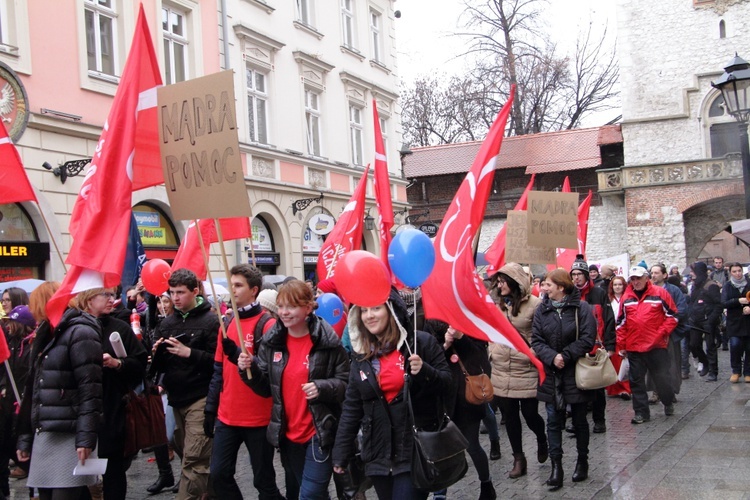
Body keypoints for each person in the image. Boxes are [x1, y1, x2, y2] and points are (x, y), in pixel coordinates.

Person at [332, 292, 452, 500]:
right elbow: (352, 407)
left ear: (392, 311)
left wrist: (425, 371)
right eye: (364, 310)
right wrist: (340, 454)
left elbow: (447, 385)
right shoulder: (361, 354)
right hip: (377, 453)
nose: (369, 315)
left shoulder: (420, 343)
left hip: (413, 450)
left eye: (376, 308)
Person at [238, 280, 349, 500]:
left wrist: (322, 387)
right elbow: (265, 389)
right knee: (311, 493)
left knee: (309, 495)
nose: (284, 312)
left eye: (291, 306)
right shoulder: (272, 342)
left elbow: (346, 384)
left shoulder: (327, 341)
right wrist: (247, 370)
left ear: (308, 308)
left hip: (320, 431)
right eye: (280, 307)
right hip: (288, 435)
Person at [204, 264, 284, 499]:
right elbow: (218, 370)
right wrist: (211, 408)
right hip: (227, 416)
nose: (233, 290)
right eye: (231, 285)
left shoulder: (267, 324)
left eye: (238, 285)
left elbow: (271, 370)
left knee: (263, 481)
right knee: (218, 475)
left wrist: (238, 352)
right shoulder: (226, 323)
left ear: (254, 290)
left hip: (258, 418)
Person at [16, 293, 103, 500]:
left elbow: (90, 391)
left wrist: (85, 438)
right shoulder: (46, 334)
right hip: (46, 432)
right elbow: (34, 393)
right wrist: (25, 438)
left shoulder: (80, 332)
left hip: (70, 434)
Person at [150, 268, 219, 499]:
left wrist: (189, 352)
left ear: (195, 292)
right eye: (172, 293)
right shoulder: (168, 323)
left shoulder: (211, 321)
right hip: (175, 396)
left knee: (195, 458)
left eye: (180, 292)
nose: (175, 297)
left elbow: (217, 361)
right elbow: (159, 364)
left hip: (201, 396)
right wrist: (156, 355)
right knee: (177, 444)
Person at [78, 288, 147, 500]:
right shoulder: (76, 328)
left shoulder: (120, 328)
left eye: (112, 295)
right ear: (89, 300)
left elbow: (140, 362)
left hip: (112, 407)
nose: (112, 299)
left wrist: (118, 364)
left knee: (113, 470)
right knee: (80, 473)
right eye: (105, 295)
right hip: (80, 408)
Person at [531, 269, 596, 491]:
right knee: (552, 421)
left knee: (579, 420)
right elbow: (537, 340)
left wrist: (565, 356)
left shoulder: (582, 308)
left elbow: (588, 338)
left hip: (575, 372)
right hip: (552, 374)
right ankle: (556, 467)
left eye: (548, 285)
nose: (544, 288)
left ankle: (582, 461)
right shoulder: (542, 310)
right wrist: (552, 357)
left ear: (561, 287)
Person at [488, 263, 547, 479]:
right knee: (510, 417)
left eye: (503, 281)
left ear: (514, 282)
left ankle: (542, 438)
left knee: (530, 414)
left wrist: (532, 352)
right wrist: (492, 351)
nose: (499, 285)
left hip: (526, 368)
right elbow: (492, 332)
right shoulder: (497, 306)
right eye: (498, 281)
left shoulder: (536, 305)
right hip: (502, 369)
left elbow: (541, 335)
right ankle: (518, 458)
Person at [616, 266, 678, 425]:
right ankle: (641, 413)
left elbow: (673, 316)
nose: (635, 282)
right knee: (636, 382)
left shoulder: (660, 293)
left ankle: (667, 400)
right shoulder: (626, 297)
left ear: (646, 278)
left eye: (638, 278)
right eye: (633, 279)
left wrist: (660, 333)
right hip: (634, 347)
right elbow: (621, 324)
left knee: (662, 379)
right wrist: (621, 344)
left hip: (656, 347)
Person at [570, 255, 615, 434]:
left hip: (596, 347)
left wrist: (610, 345)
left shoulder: (598, 293)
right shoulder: (569, 295)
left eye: (580, 274)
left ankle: (599, 420)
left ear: (587, 275)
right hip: (576, 347)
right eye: (573, 274)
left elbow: (608, 320)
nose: (576, 277)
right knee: (576, 387)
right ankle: (578, 422)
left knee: (597, 388)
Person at [0, 305, 35, 491]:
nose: (8, 326)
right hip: (9, 405)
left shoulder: (31, 347)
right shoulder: (10, 344)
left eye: (12, 322)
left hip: (23, 406)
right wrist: (4, 386)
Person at [650, 264, 690, 397]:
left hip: (670, 332)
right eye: (652, 273)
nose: (654, 275)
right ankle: (656, 391)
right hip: (653, 333)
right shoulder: (648, 290)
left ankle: (671, 390)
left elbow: (681, 309)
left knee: (672, 362)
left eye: (657, 273)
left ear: (664, 275)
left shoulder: (674, 290)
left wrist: (670, 323)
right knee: (655, 363)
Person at [687, 261, 723, 382]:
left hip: (708, 319)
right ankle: (705, 361)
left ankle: (713, 371)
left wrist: (711, 319)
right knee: (693, 344)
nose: (691, 274)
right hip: (696, 319)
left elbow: (719, 304)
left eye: (693, 271)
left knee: (710, 346)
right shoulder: (695, 285)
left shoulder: (711, 286)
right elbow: (692, 302)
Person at [722, 262, 750, 383]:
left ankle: (748, 372)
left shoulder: (749, 283)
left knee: (749, 348)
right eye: (735, 271)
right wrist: (738, 300)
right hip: (734, 321)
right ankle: (736, 370)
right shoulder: (728, 286)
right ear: (731, 273)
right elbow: (724, 302)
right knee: (735, 345)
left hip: (748, 321)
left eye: (739, 271)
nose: (738, 273)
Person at [606, 276, 631, 399]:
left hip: (625, 332)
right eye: (615, 285)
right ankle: (615, 388)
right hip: (612, 332)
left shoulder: (628, 298)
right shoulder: (608, 300)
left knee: (623, 360)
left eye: (620, 285)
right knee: (613, 361)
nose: (617, 287)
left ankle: (626, 388)